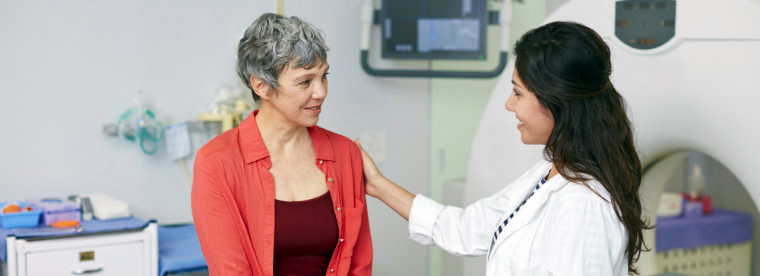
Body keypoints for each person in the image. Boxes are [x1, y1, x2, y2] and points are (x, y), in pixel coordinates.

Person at [356, 21, 649, 275]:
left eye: (518, 93)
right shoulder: (551, 173)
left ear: (556, 101)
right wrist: (378, 185)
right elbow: (463, 229)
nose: (509, 104)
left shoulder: (583, 205)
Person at [192, 13, 372, 276]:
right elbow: (231, 270)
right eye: (305, 81)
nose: (321, 91)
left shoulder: (345, 153)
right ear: (262, 86)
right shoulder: (216, 163)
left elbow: (359, 263)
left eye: (324, 76)